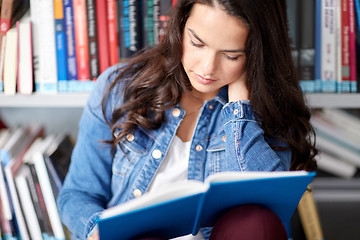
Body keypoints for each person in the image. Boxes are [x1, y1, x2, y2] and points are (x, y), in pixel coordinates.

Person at [57, 0, 318, 239]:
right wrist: (95, 229)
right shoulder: (120, 87)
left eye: (230, 55)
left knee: (255, 220)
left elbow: (265, 211)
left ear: (256, 55)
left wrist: (239, 112)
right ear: (180, 27)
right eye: (197, 43)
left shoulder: (268, 110)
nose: (207, 68)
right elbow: (78, 194)